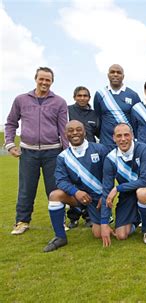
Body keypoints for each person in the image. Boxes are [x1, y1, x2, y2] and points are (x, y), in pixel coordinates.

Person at [5, 67, 68, 235]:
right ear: (36, 79)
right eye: (42, 79)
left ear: (52, 82)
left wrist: (67, 152)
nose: (44, 82)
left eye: (48, 80)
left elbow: (64, 129)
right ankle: (22, 221)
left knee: (55, 189)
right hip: (28, 152)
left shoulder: (59, 102)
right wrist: (10, 144)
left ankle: (60, 221)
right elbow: (11, 123)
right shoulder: (21, 100)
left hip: (53, 152)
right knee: (26, 189)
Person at [43, 120, 109, 252]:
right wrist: (75, 192)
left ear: (84, 132)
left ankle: (99, 216)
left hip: (98, 199)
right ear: (65, 134)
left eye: (78, 129)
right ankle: (60, 237)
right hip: (79, 198)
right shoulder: (63, 157)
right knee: (55, 195)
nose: (75, 133)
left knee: (97, 234)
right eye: (71, 130)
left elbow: (109, 175)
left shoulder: (99, 149)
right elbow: (61, 180)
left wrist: (105, 195)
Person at [100, 123, 146, 246]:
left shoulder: (142, 149)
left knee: (142, 193)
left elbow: (145, 180)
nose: (123, 139)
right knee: (121, 235)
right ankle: (137, 219)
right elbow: (106, 191)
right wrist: (104, 223)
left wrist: (118, 188)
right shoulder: (110, 159)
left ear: (132, 135)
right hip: (127, 194)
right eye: (119, 136)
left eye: (126, 135)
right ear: (114, 138)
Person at [67, 86, 100, 228]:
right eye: (79, 95)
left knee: (89, 185)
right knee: (74, 184)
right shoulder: (67, 110)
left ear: (89, 98)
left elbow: (98, 132)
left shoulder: (94, 114)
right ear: (74, 97)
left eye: (85, 95)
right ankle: (73, 217)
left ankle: (89, 216)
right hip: (72, 154)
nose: (82, 98)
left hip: (90, 155)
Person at [93, 64, 141, 149]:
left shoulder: (133, 95)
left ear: (123, 76)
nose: (115, 74)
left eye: (118, 72)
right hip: (106, 143)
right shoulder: (100, 94)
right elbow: (98, 118)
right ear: (108, 75)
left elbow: (137, 120)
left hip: (127, 144)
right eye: (112, 72)